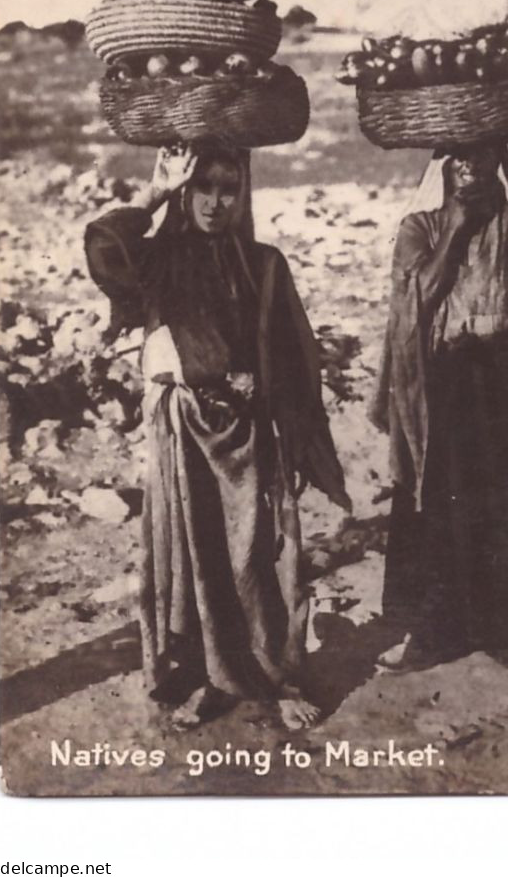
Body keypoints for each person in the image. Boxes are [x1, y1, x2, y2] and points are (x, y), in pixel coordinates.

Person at [84, 143, 349, 731]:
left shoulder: (264, 263)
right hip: (181, 426)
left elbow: (295, 354)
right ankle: (210, 680)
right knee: (192, 557)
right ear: (186, 190)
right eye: (203, 186)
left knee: (255, 557)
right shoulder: (160, 259)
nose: (215, 201)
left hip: (247, 434)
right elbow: (104, 246)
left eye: (229, 187)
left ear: (243, 192)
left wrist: (286, 422)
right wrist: (155, 191)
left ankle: (277, 679)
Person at [371, 71, 508, 672]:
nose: (470, 171)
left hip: (501, 369)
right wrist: (459, 228)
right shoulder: (419, 228)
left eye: (482, 160)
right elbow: (414, 298)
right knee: (437, 503)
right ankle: (435, 631)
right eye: (458, 162)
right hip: (443, 376)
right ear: (442, 169)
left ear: (498, 165)